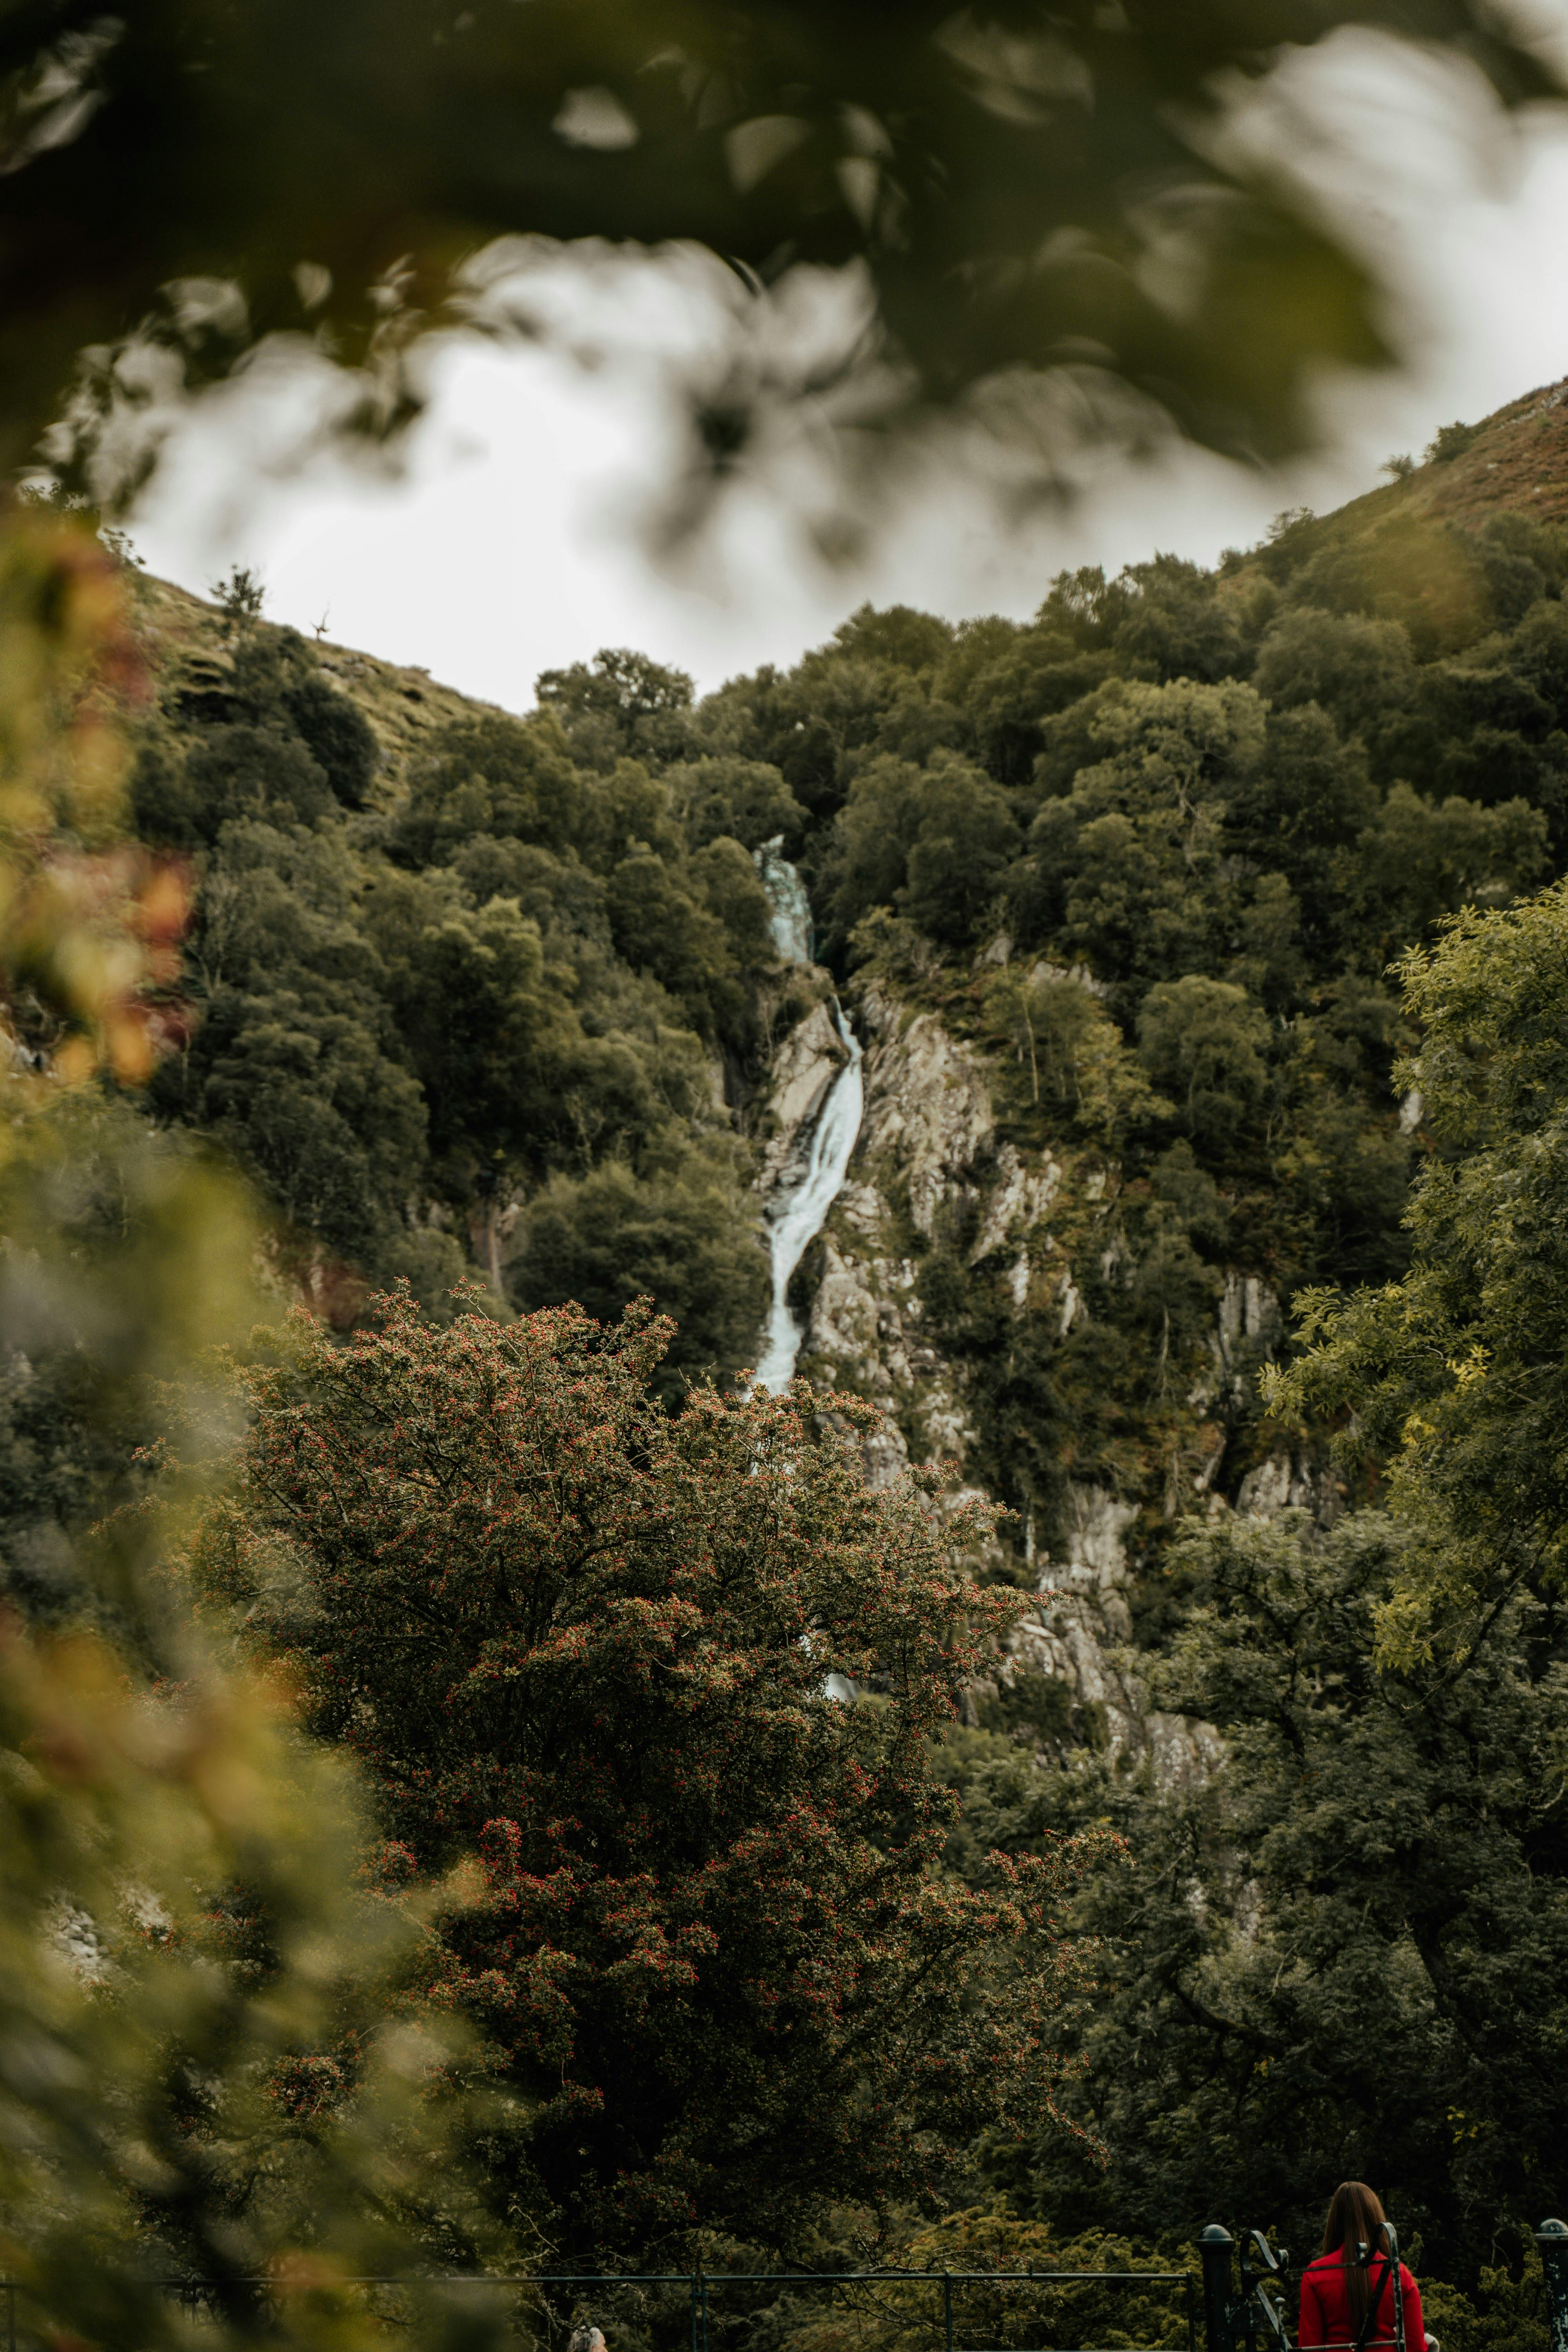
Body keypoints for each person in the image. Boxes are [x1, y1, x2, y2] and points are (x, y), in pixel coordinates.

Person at [1298, 2182, 1426, 2350]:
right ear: (1375, 2217)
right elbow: (1415, 2346)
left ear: (1335, 2222)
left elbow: (1309, 2346)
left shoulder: (1316, 2275)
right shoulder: (1399, 2274)